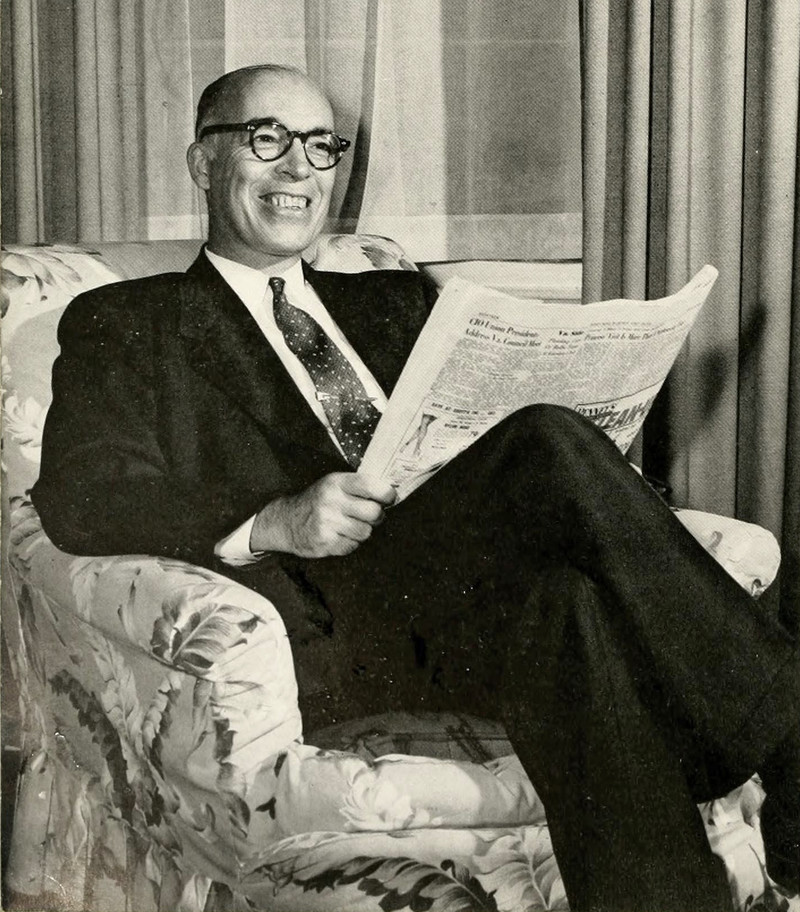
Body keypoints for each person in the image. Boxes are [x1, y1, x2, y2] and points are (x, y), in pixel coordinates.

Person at [32, 64, 799, 912]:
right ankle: (791, 744)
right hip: (329, 625)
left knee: (571, 601)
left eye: (320, 146)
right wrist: (271, 520)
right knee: (545, 441)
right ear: (203, 162)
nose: (298, 168)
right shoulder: (131, 321)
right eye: (266, 139)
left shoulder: (393, 299)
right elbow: (80, 491)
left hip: (469, 611)